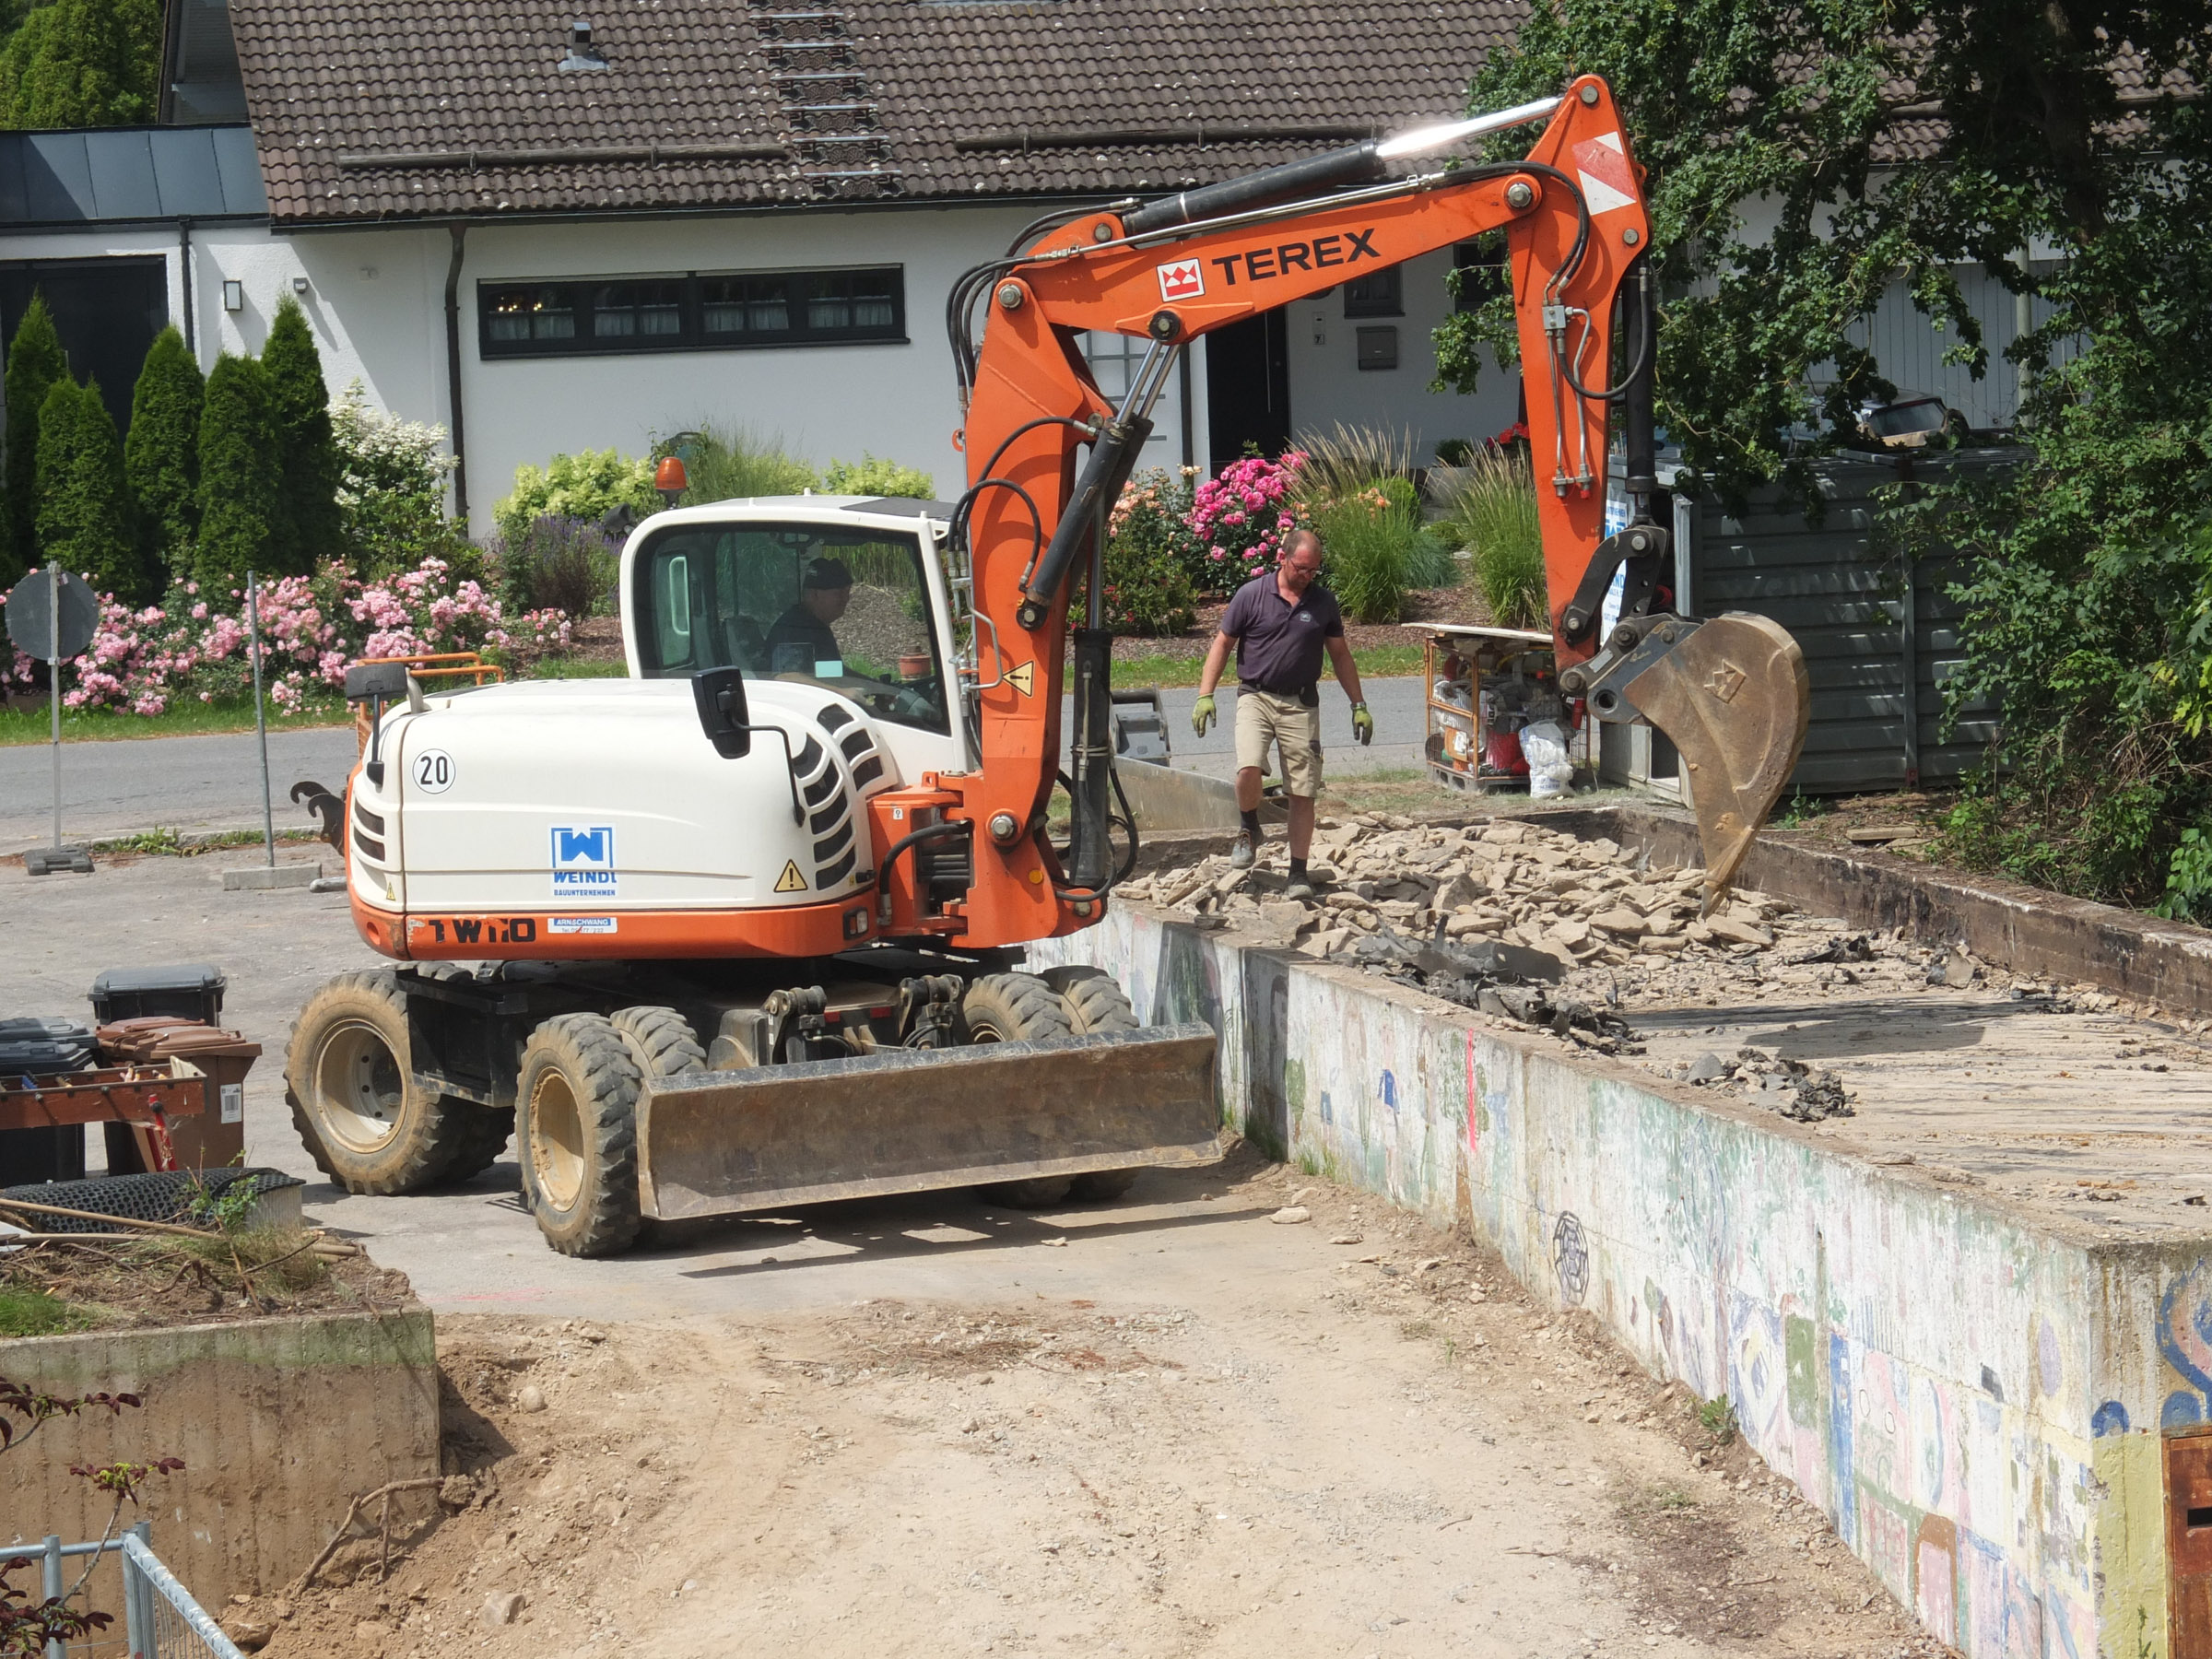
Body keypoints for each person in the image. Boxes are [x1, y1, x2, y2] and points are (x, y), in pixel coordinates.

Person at [1191, 528, 1372, 899]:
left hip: (1301, 704)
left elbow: (1340, 654)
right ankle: (1248, 827)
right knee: (1248, 767)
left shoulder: (1323, 602)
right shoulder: (1251, 595)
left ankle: (1298, 874)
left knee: (1302, 792)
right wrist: (1205, 695)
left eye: (1313, 570)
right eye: (1301, 568)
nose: (1307, 576)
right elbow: (1223, 643)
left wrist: (1359, 704)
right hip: (1255, 696)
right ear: (1282, 557)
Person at [766, 558, 852, 674]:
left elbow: (832, 673)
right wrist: (845, 691)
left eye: (847, 592)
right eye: (838, 593)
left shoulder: (816, 627)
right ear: (814, 594)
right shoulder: (795, 629)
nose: (846, 599)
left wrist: (873, 684)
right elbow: (787, 676)